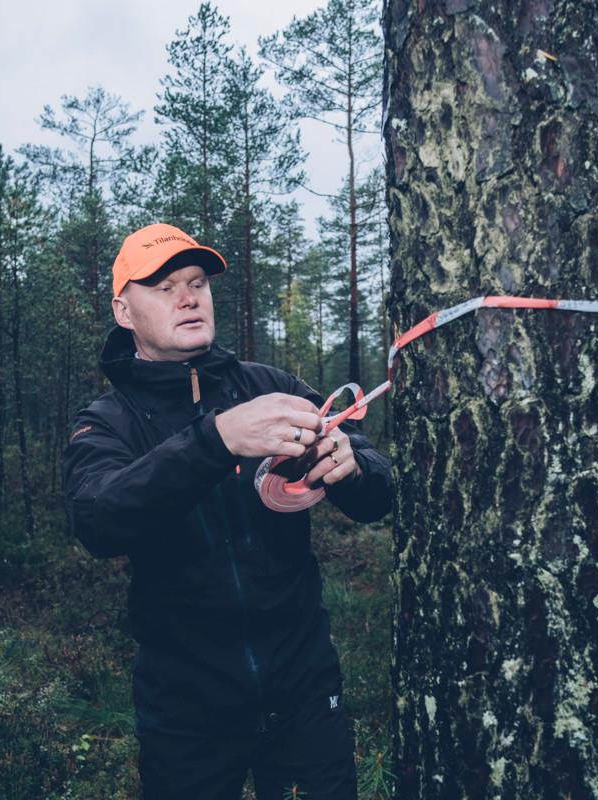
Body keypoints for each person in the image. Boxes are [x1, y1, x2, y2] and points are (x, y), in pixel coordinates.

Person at [61, 222, 393, 799]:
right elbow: (97, 519)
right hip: (186, 709)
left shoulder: (270, 387)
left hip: (304, 690)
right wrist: (216, 440)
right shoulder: (106, 422)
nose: (188, 296)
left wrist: (351, 465)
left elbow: (378, 495)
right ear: (123, 310)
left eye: (197, 282)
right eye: (163, 287)